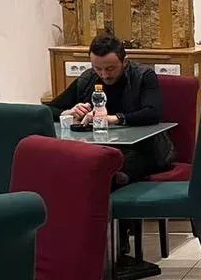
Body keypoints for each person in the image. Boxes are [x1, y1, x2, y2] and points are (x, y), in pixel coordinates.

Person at [48, 34, 174, 184]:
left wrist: (112, 119)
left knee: (119, 165)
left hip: (141, 147)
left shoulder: (143, 76)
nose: (104, 75)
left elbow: (153, 113)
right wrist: (68, 113)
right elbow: (48, 110)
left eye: (110, 69)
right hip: (100, 146)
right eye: (98, 68)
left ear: (124, 62)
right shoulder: (87, 78)